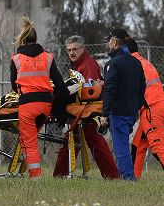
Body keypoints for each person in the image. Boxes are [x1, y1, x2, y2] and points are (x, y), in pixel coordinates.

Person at [10, 16, 77, 178]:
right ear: (35, 39)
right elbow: (60, 85)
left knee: (30, 142)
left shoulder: (16, 59)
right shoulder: (48, 57)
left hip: (27, 105)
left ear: (23, 40)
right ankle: (30, 172)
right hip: (45, 105)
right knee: (28, 140)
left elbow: (14, 86)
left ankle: (36, 176)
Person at [53, 35, 119, 179]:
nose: (72, 53)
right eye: (69, 50)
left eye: (75, 49)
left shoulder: (87, 65)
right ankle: (60, 174)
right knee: (76, 140)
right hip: (82, 111)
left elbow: (90, 92)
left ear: (83, 49)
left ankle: (112, 176)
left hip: (88, 111)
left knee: (91, 140)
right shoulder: (79, 65)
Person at [100, 29, 145, 181]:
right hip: (131, 112)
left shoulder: (113, 64)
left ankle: (127, 179)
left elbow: (109, 90)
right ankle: (127, 176)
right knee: (124, 144)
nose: (108, 45)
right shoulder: (136, 62)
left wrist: (104, 114)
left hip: (118, 112)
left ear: (114, 42)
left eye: (109, 42)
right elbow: (142, 87)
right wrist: (137, 107)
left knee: (121, 148)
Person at [126, 38, 164, 178]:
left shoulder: (133, 65)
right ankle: (133, 179)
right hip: (155, 106)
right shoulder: (145, 62)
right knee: (138, 145)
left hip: (151, 109)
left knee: (158, 147)